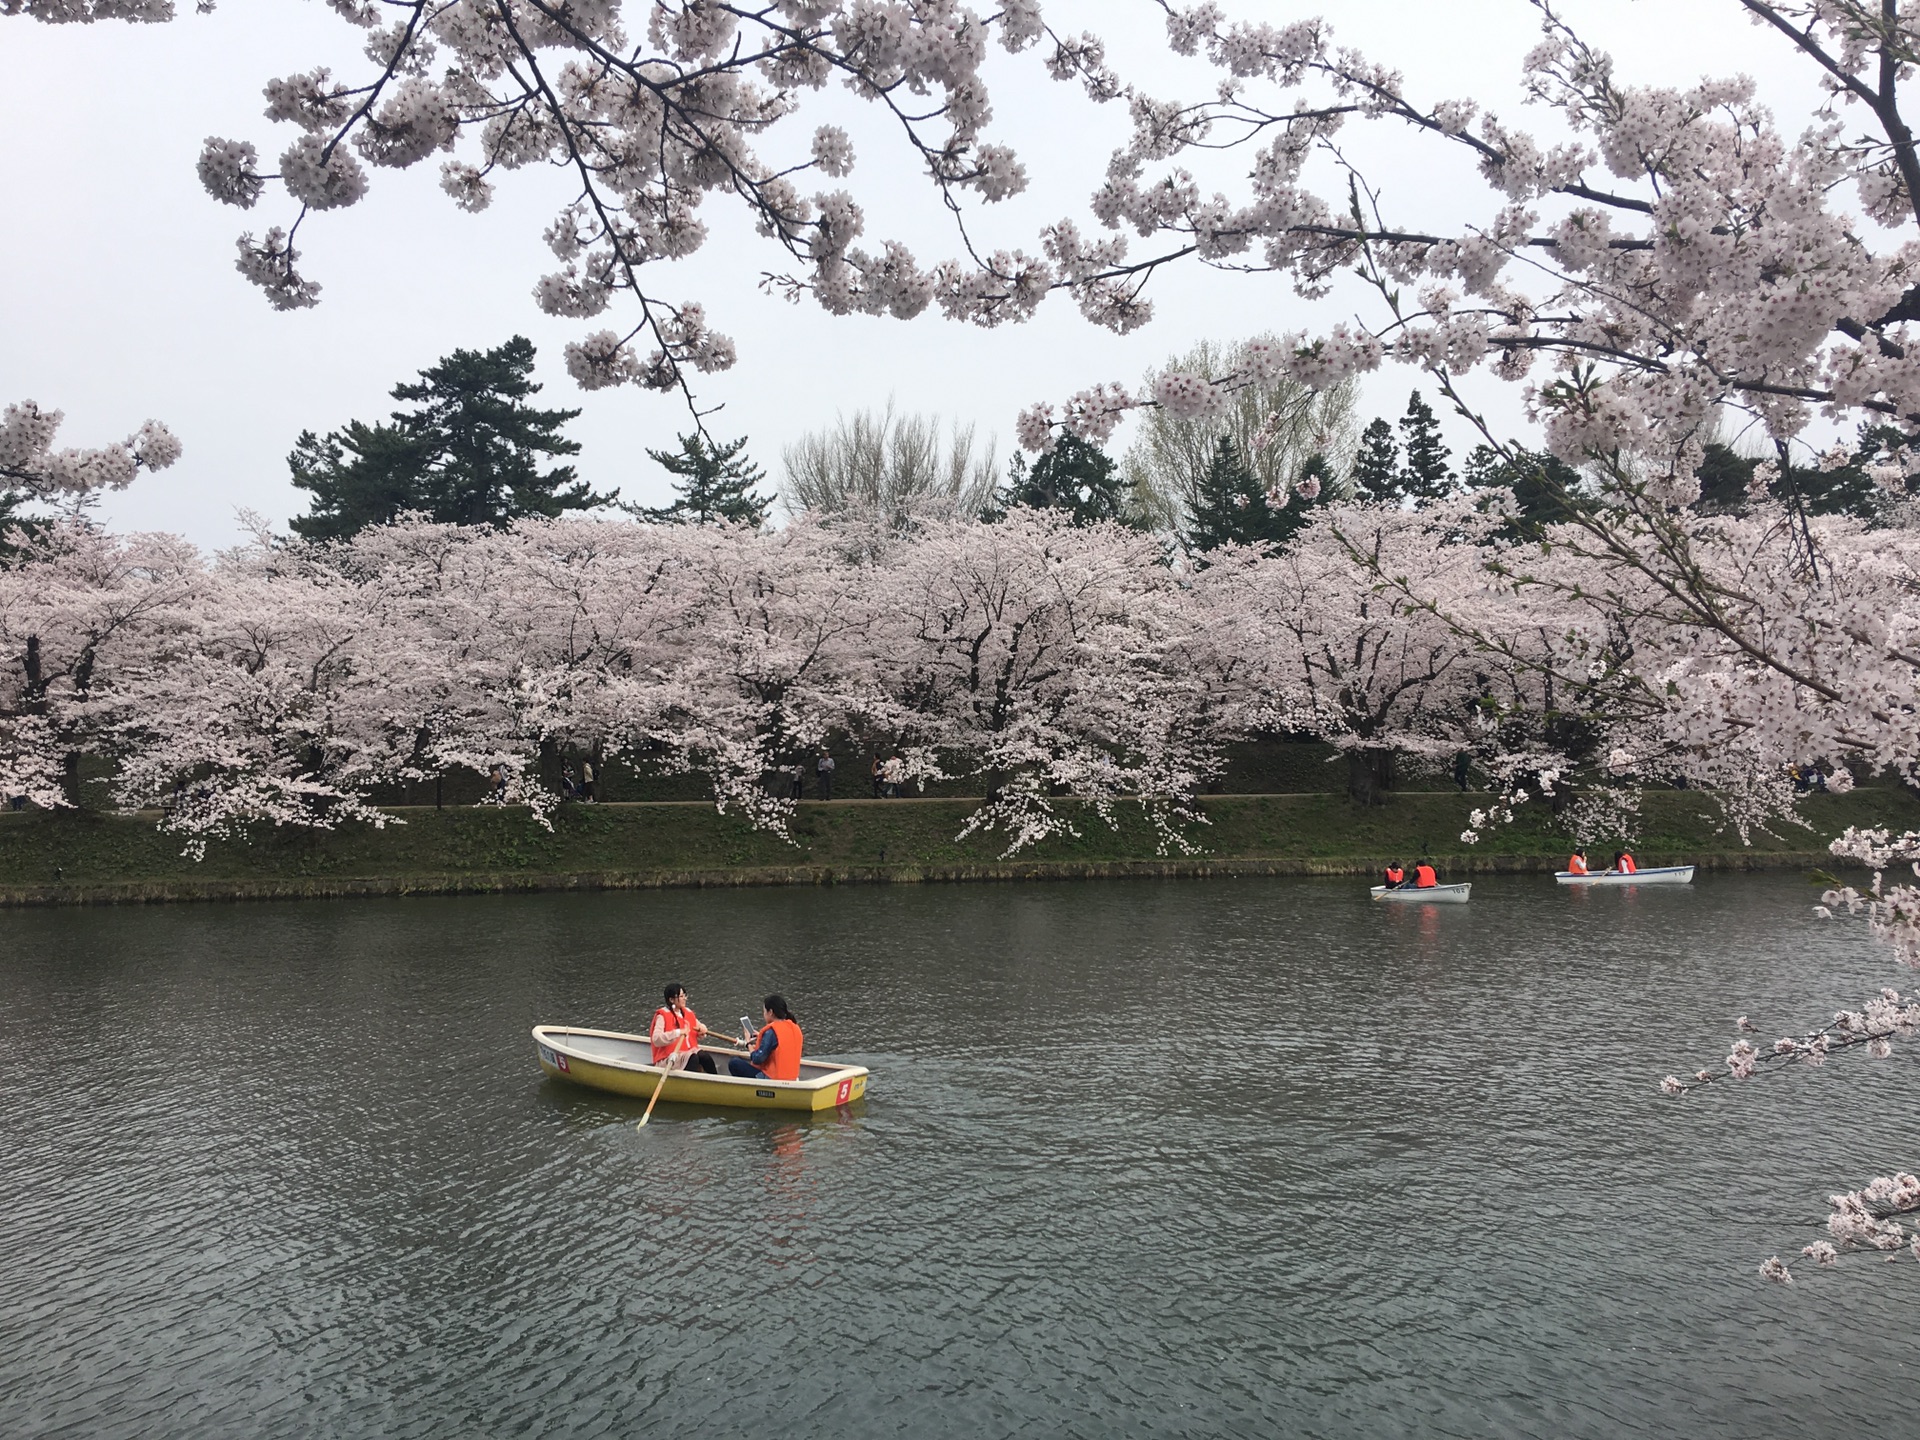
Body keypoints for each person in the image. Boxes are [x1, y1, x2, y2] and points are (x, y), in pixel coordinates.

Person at [728, 994, 804, 1081]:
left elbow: (757, 1059)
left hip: (773, 1080)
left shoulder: (771, 1032)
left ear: (770, 1012)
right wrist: (761, 1036)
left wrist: (748, 1042)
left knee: (734, 1063)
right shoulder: (794, 1027)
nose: (763, 1014)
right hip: (791, 1078)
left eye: (764, 1011)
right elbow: (779, 1045)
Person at [651, 983, 717, 1075]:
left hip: (687, 1053)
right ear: (671, 1000)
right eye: (681, 996)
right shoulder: (662, 1016)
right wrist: (677, 1033)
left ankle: (714, 1079)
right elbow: (656, 1039)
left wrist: (702, 1030)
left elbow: (698, 1028)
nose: (685, 998)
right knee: (692, 1057)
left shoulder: (687, 1012)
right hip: (669, 1058)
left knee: (704, 1056)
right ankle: (691, 1083)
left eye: (685, 995)